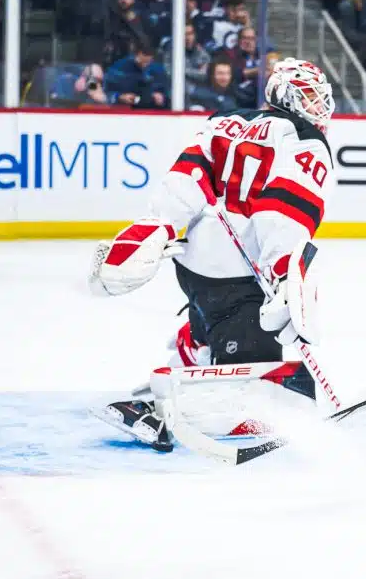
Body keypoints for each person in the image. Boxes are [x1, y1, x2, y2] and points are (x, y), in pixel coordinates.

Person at [90, 58, 335, 450]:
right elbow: (280, 213)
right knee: (270, 404)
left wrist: (159, 225)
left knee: (216, 317)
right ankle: (165, 411)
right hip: (242, 277)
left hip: (194, 266)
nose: (318, 106)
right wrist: (283, 275)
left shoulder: (225, 120)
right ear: (287, 97)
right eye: (309, 97)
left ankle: (195, 346)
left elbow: (184, 181)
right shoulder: (305, 141)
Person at [105, 44, 169, 109]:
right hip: (125, 109)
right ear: (137, 54)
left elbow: (167, 94)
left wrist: (161, 96)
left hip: (152, 110)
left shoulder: (158, 70)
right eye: (142, 61)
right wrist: (119, 97)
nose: (144, 65)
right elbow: (106, 93)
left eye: (148, 62)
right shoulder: (118, 68)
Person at [161, 21, 212, 85]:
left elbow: (205, 75)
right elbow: (168, 74)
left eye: (190, 33)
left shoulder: (202, 53)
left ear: (195, 35)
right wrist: (196, 73)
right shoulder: (170, 53)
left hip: (199, 89)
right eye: (183, 34)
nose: (187, 38)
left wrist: (180, 70)